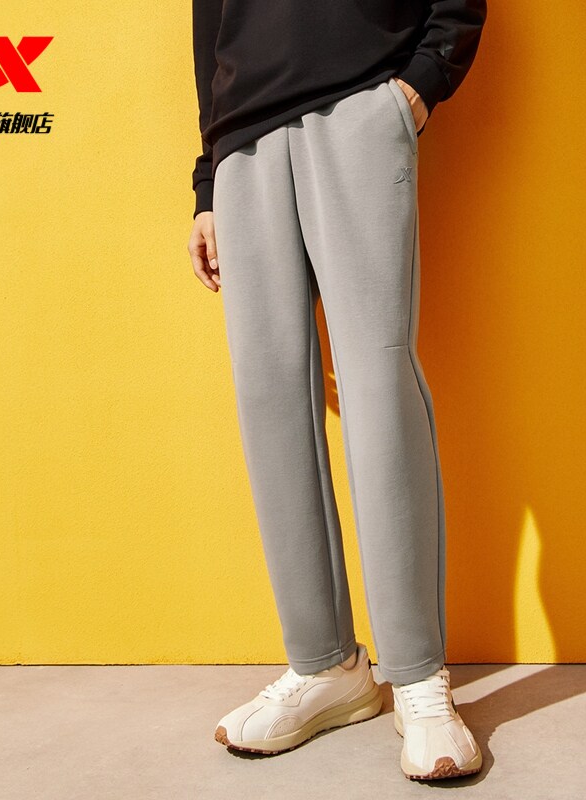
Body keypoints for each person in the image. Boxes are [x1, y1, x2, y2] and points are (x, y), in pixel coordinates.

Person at [188, 0, 487, 782]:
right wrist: (208, 181)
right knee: (270, 399)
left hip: (360, 104)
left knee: (377, 384)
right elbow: (210, 21)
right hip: (243, 138)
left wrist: (418, 84)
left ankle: (417, 678)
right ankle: (326, 667)